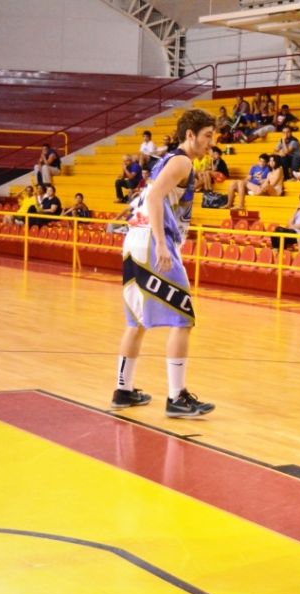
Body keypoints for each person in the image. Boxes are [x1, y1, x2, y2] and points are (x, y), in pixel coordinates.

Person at [112, 108, 217, 418]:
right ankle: (177, 397)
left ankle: (123, 390)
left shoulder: (166, 159)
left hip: (135, 240)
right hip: (151, 240)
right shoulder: (182, 161)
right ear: (190, 135)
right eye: (207, 136)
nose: (211, 142)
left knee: (136, 322)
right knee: (184, 319)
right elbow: (155, 197)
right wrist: (161, 242)